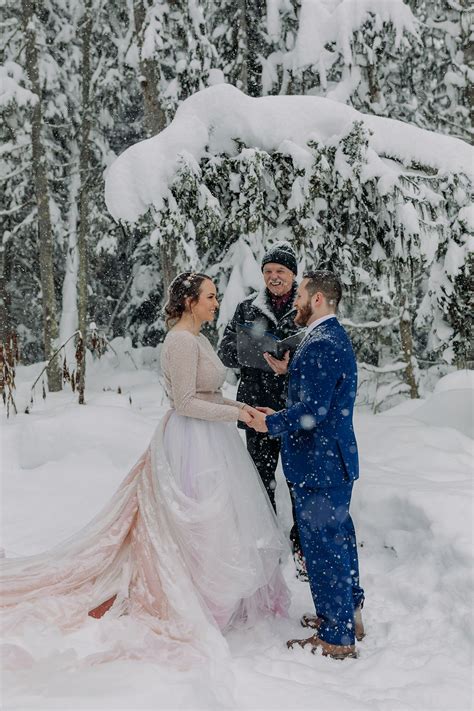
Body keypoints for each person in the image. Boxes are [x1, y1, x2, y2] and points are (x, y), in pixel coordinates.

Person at [1, 272, 289, 667]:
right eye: (209, 296)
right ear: (189, 301)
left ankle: (214, 596)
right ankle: (194, 597)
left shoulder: (200, 338)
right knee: (195, 521)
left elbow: (207, 392)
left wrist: (244, 409)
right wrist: (236, 413)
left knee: (218, 520)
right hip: (191, 440)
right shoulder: (179, 342)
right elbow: (186, 402)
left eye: (215, 296)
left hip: (212, 438)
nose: (215, 302)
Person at [247, 270, 365, 660]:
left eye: (300, 294)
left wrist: (270, 422)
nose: (295, 300)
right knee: (339, 539)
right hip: (329, 462)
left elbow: (315, 409)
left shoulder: (321, 343)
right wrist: (289, 372)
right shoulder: (326, 339)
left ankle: (337, 635)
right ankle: (349, 615)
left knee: (324, 546)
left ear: (316, 299)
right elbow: (318, 392)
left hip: (321, 465)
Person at [218, 242, 305, 575]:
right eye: (268, 271)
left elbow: (318, 354)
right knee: (260, 479)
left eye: (280, 271)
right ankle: (266, 543)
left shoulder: (305, 307)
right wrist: (254, 351)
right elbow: (225, 351)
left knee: (298, 482)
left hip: (296, 411)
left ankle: (302, 545)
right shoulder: (246, 309)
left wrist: (290, 361)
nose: (273, 277)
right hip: (256, 408)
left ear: (292, 274)